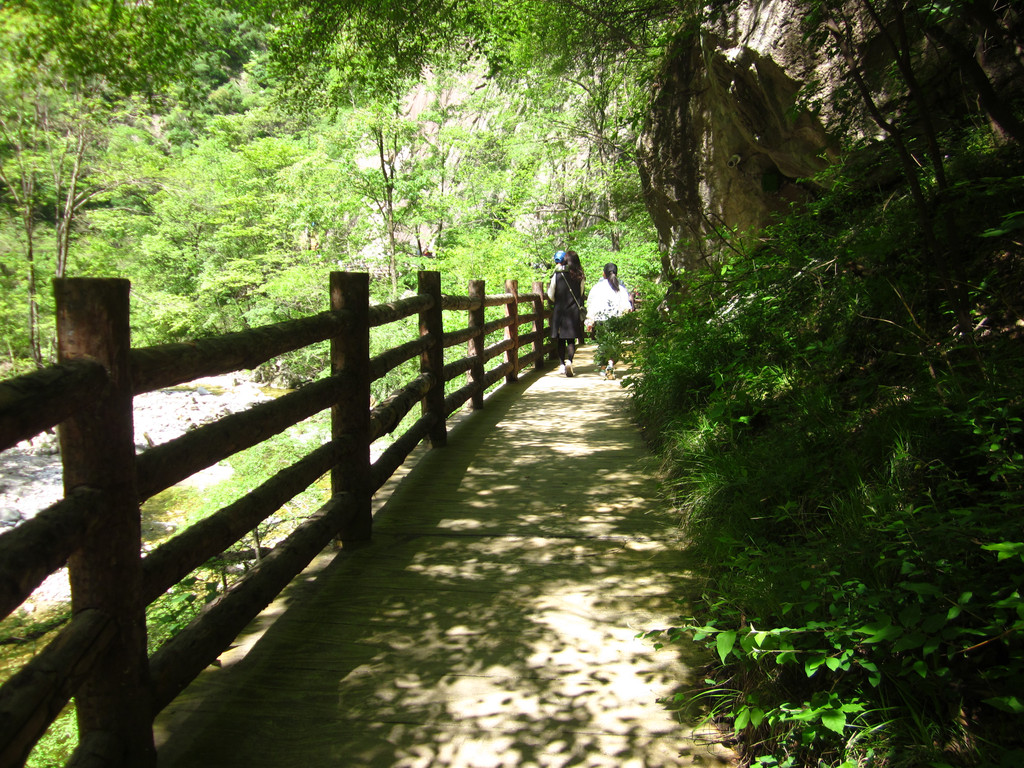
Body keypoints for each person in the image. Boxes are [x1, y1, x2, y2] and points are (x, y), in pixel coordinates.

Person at [585, 262, 633, 379]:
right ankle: (611, 363)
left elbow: (591, 304)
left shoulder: (597, 288)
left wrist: (590, 320)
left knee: (603, 344)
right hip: (616, 320)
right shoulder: (620, 288)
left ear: (603, 274)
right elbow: (627, 307)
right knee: (615, 344)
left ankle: (603, 368)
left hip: (601, 320)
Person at [547, 250, 586, 377]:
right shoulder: (580, 276)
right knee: (571, 339)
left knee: (560, 339)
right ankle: (570, 360)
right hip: (573, 310)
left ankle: (562, 365)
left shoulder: (557, 275)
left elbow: (550, 295)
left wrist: (557, 300)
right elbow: (580, 294)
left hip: (560, 310)